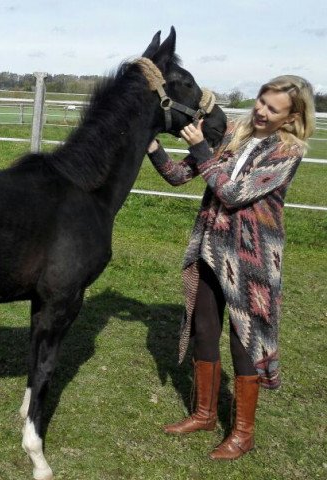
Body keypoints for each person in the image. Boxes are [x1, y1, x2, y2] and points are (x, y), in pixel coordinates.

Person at [146, 75, 315, 460]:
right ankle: (205, 415)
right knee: (205, 331)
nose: (261, 111)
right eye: (260, 101)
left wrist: (202, 148)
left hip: (251, 261)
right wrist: (152, 145)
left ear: (291, 117)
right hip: (210, 248)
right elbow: (178, 176)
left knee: (244, 345)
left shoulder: (288, 152)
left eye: (273, 108)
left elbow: (232, 192)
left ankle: (243, 434)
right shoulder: (233, 134)